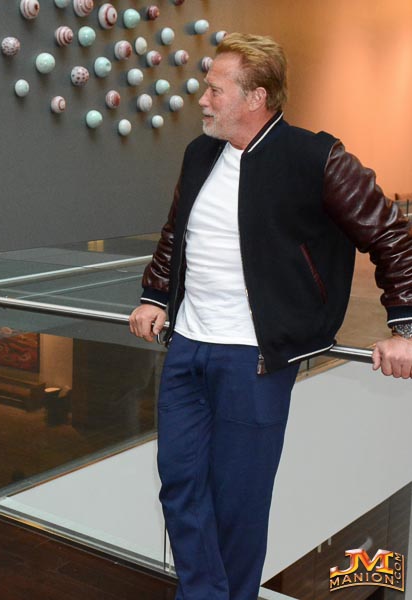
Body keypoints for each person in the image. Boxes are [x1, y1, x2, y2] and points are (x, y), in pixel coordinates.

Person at [128, 33, 412, 600]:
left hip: (254, 358)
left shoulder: (316, 158)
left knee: (239, 501)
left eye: (215, 89)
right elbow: (176, 233)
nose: (203, 99)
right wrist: (155, 295)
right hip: (187, 347)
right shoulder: (200, 153)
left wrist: (405, 326)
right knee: (180, 487)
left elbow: (391, 233)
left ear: (256, 96)